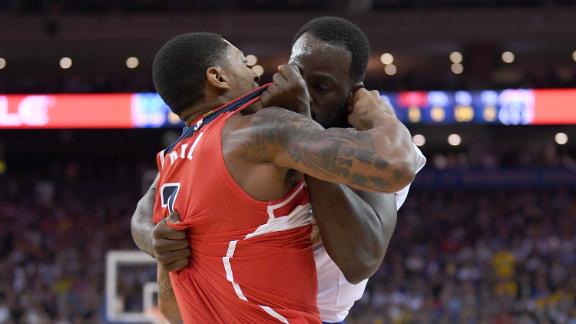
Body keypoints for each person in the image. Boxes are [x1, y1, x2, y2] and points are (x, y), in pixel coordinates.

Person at [132, 17, 425, 323]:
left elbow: (360, 261)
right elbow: (147, 206)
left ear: (353, 94)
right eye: (297, 74)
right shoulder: (258, 125)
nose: (303, 91)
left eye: (322, 86)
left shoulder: (370, 146)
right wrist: (153, 237)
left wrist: (381, 117)